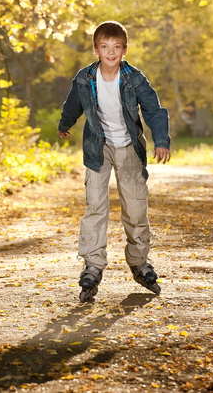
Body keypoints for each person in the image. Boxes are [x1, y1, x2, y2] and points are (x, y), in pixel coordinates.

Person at [58, 21, 171, 302]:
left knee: (134, 208)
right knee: (95, 205)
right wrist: (65, 123)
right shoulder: (85, 78)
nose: (111, 52)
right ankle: (93, 265)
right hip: (98, 147)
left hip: (129, 148)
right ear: (96, 49)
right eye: (105, 47)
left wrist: (161, 140)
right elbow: (73, 103)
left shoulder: (134, 78)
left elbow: (154, 109)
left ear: (124, 49)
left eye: (116, 47)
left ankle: (139, 261)